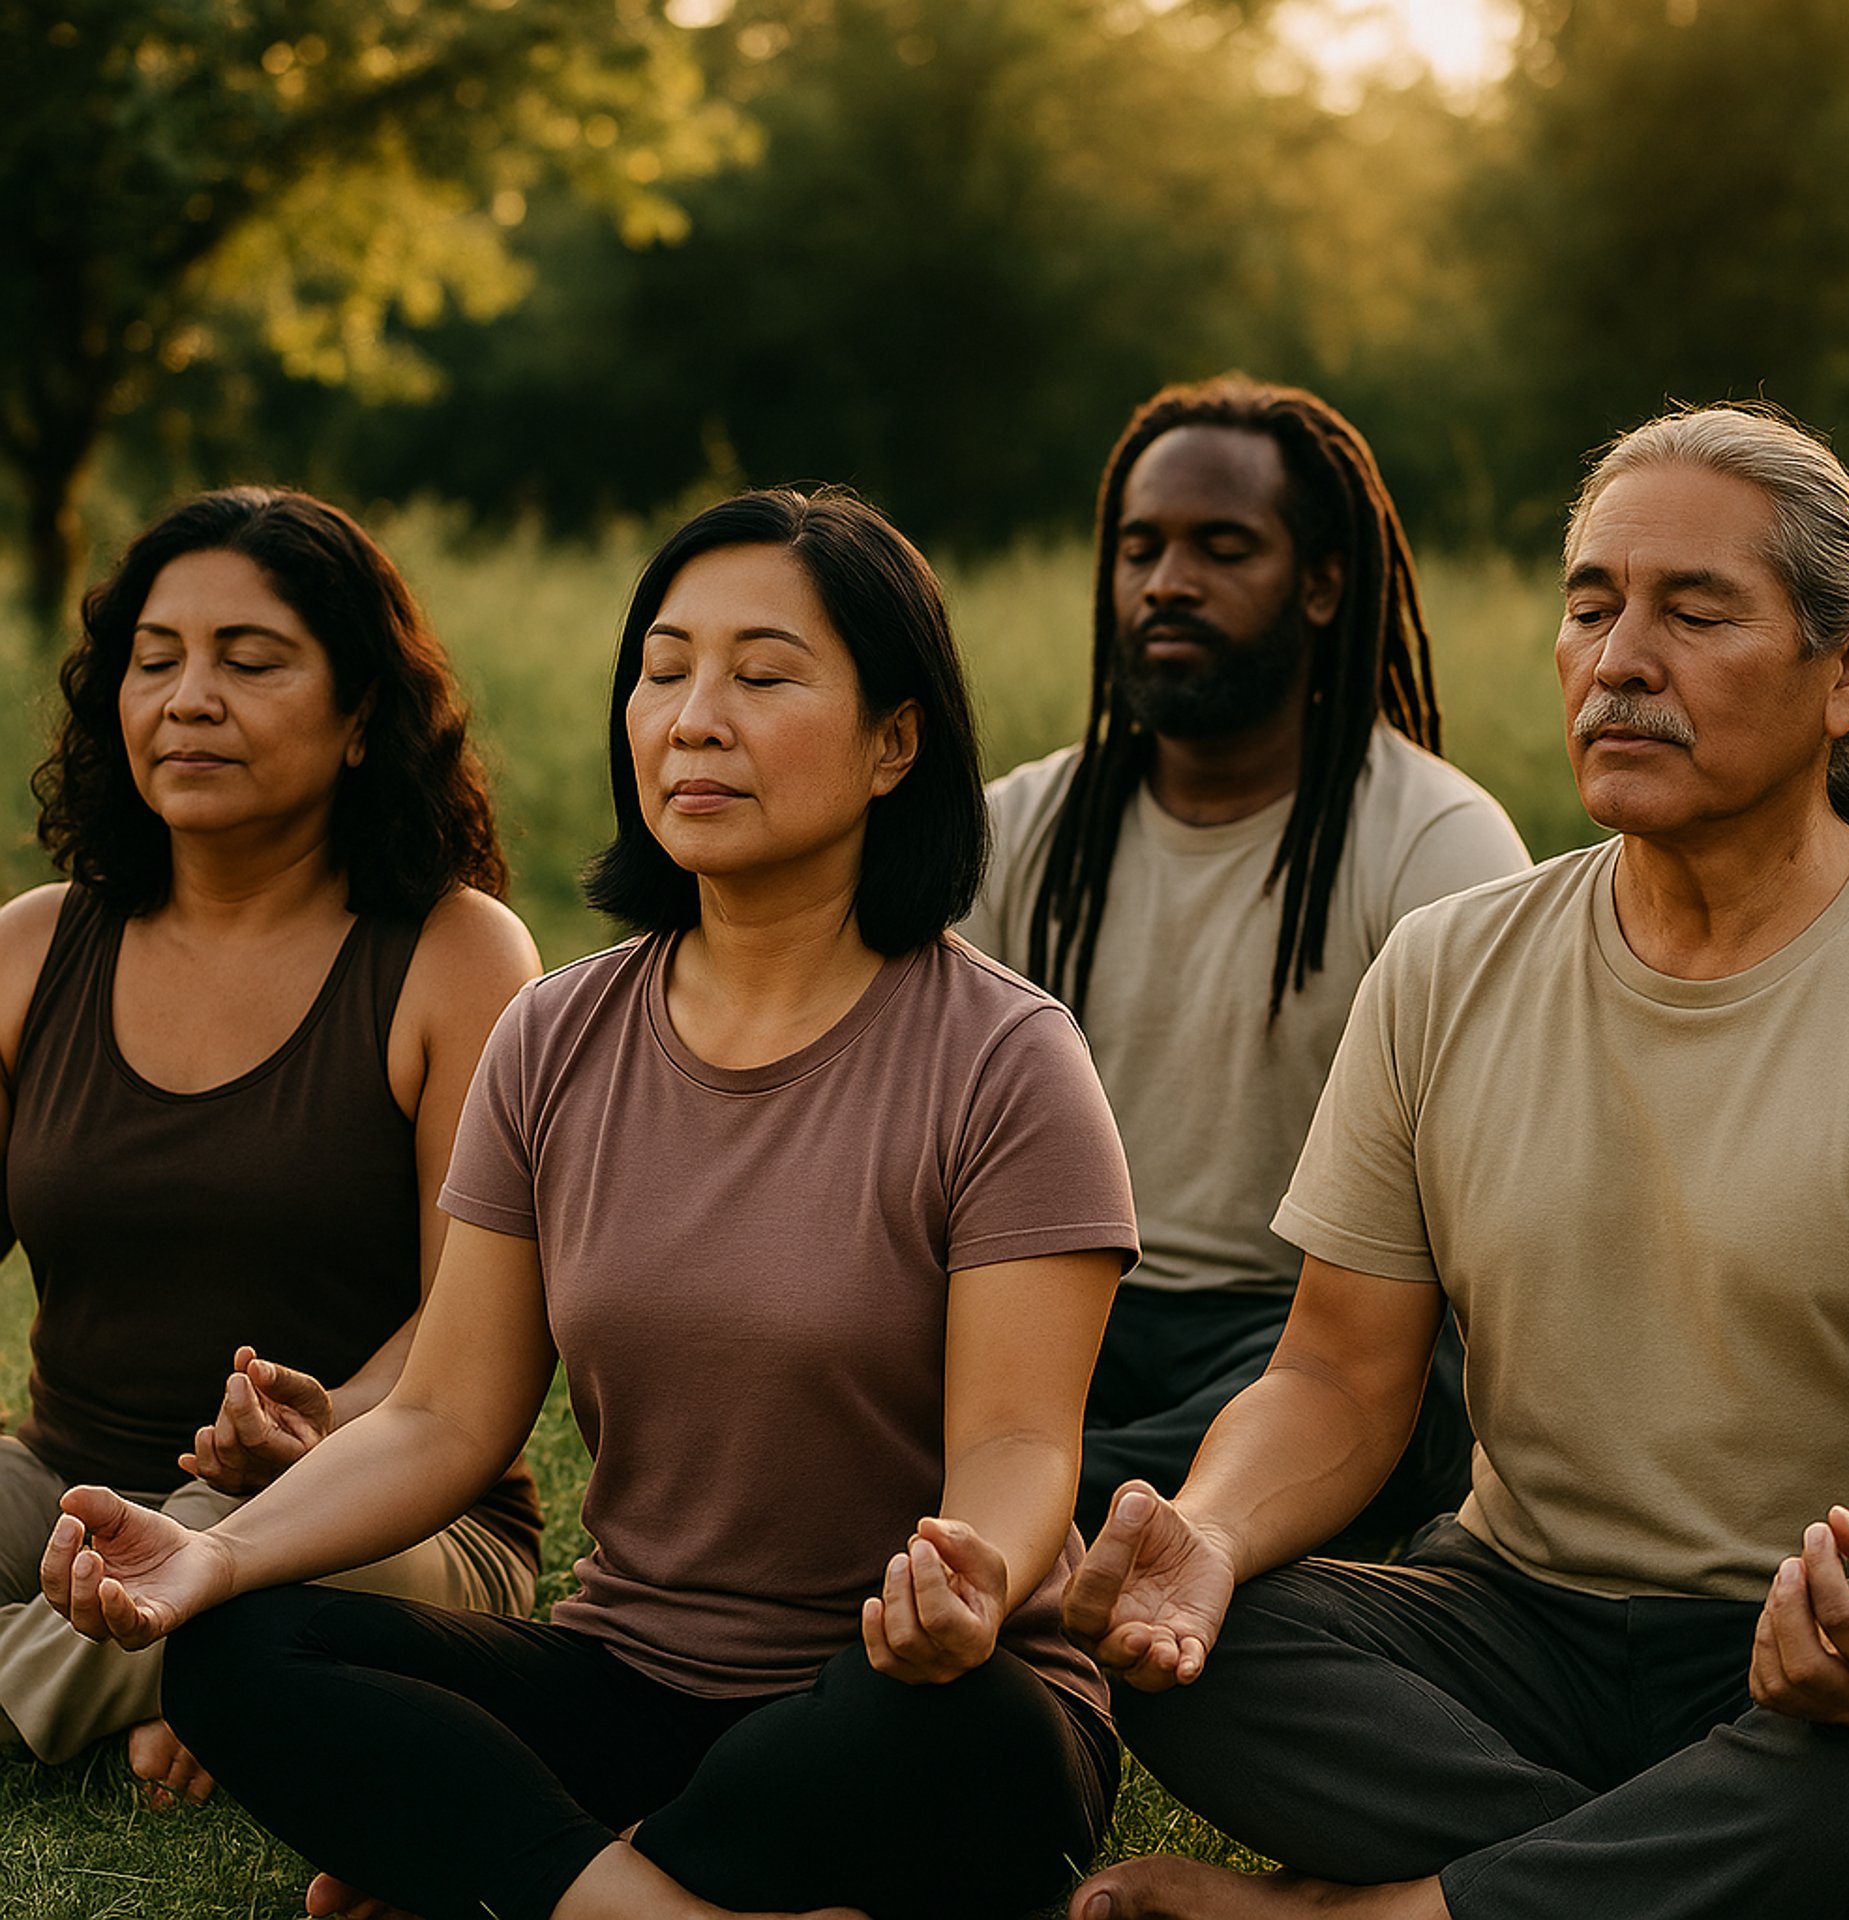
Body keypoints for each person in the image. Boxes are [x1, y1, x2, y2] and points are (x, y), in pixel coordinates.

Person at [44, 488, 1139, 1920]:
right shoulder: (557, 1038)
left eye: (761, 676)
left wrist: (972, 1585)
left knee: (953, 1729)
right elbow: (445, 1419)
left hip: (903, 1691)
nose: (694, 717)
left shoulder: (1009, 1061)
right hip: (633, 1675)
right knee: (243, 1654)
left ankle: (530, 1870)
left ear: (896, 739)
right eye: (665, 668)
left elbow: (1011, 1439)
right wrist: (213, 1555)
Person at [1061, 401, 1849, 1920]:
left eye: (1694, 612)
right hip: (1513, 1626)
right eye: (1593, 607)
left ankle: (1374, 1912)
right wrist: (1204, 1535)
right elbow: (1336, 1375)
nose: (1621, 661)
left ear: (1847, 671)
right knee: (1204, 1646)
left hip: (1819, 1655)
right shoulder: (1449, 966)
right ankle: (1674, 1878)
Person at [0, 487, 544, 1804]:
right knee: (142, 1562)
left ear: (365, 716)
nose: (190, 698)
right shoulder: (33, 948)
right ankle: (171, 1683)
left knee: (215, 1557)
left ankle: (163, 1666)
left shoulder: (453, 957)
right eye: (155, 661)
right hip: (62, 1480)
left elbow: (472, 1326)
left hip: (381, 1514)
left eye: (249, 663)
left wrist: (328, 1424)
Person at [960, 375, 1528, 1546]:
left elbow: (1501, 1223)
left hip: (1308, 1332)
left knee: (1394, 1400)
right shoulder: (1019, 833)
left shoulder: (1433, 841)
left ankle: (1035, 1513)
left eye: (1223, 548)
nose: (1167, 581)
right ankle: (1043, 1508)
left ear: (1323, 585)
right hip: (1057, 1308)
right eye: (1140, 548)